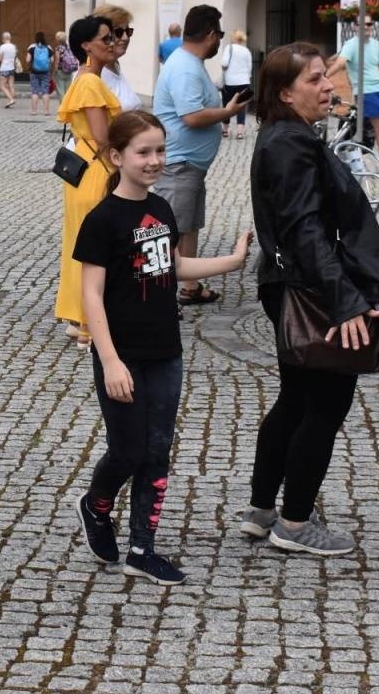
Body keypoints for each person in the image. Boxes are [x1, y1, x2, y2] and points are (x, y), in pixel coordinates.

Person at [73, 109, 250, 585]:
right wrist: (109, 359)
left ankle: (141, 548)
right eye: (143, 152)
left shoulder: (163, 210)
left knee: (157, 449)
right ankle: (96, 504)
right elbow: (90, 295)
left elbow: (174, 269)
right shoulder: (103, 219)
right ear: (117, 156)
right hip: (122, 355)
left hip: (165, 352)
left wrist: (229, 263)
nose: (154, 160)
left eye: (160, 150)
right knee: (127, 450)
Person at [243, 43, 379, 556]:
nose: (329, 86)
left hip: (300, 283)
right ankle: (292, 524)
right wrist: (345, 302)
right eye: (315, 79)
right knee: (324, 406)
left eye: (326, 76)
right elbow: (304, 230)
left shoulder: (288, 135)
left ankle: (263, 510)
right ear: (286, 93)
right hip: (310, 289)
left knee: (296, 400)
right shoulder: (288, 142)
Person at [153, 5, 248, 306]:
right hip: (179, 164)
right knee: (173, 233)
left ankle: (189, 286)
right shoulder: (184, 66)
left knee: (189, 227)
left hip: (190, 166)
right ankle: (161, 298)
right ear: (210, 34)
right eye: (219, 34)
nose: (219, 41)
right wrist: (228, 112)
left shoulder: (190, 63)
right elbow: (192, 116)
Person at [55, 15, 124, 347]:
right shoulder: (91, 83)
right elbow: (102, 136)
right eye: (106, 39)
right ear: (86, 46)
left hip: (83, 168)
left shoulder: (84, 78)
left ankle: (79, 318)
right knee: (97, 250)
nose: (113, 43)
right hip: (97, 170)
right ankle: (88, 326)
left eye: (114, 37)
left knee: (81, 245)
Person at [92, 4, 142, 112]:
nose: (125, 38)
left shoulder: (114, 65)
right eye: (118, 32)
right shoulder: (93, 74)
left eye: (128, 32)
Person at [219, 30, 254, 140]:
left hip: (230, 81)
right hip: (244, 81)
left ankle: (225, 130)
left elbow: (224, 64)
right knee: (241, 106)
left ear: (233, 38)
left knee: (226, 105)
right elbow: (249, 67)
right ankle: (240, 132)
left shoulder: (229, 48)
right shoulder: (246, 50)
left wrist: (225, 69)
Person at [26, 31, 54, 118]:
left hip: (34, 72)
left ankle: (34, 111)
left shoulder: (32, 47)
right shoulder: (48, 48)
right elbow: (52, 60)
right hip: (45, 72)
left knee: (35, 91)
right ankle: (47, 111)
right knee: (45, 91)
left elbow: (27, 60)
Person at [0, 31, 19, 109]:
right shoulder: (14, 46)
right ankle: (11, 101)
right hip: (12, 68)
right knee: (11, 85)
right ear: (10, 38)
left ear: (4, 38)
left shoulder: (2, 47)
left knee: (2, 85)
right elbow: (15, 57)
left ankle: (11, 99)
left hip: (4, 68)